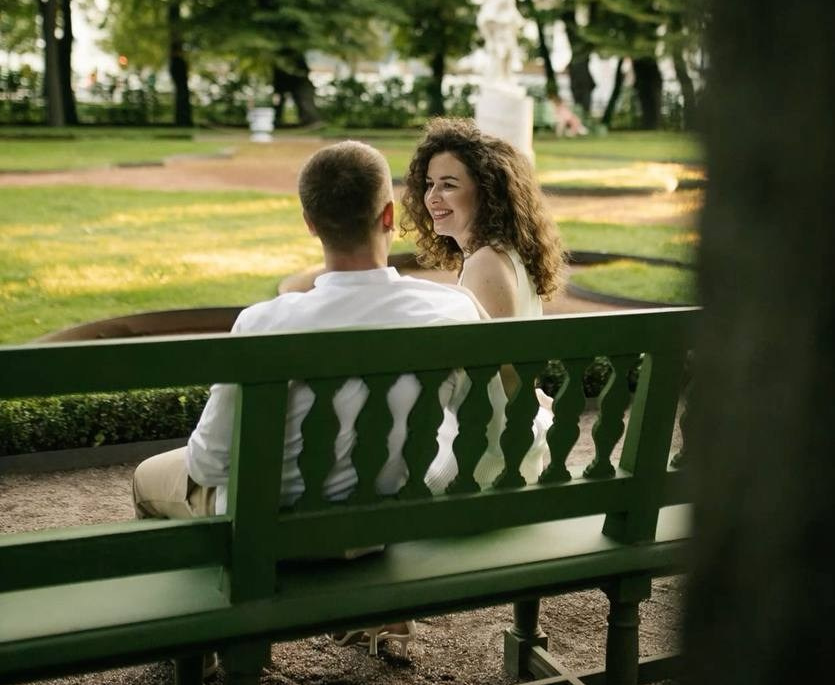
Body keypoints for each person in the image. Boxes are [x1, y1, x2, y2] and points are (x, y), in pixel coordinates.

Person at [132, 140, 483, 656]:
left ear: (311, 223)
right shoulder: (452, 311)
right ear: (389, 216)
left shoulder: (264, 323)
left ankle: (198, 650)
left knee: (148, 478)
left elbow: (207, 465)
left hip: (273, 534)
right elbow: (475, 427)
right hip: (382, 524)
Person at [400, 117, 566, 489]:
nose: (432, 198)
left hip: (485, 459)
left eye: (448, 185)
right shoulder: (504, 254)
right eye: (429, 185)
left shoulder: (486, 264)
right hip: (505, 445)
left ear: (486, 191)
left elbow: (493, 381)